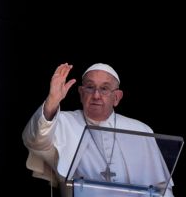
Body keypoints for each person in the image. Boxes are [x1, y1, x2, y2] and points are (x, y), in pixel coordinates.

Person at [22, 63, 174, 197]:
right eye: (90, 87)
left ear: (117, 98)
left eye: (104, 89)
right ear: (81, 93)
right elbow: (35, 140)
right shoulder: (62, 121)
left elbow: (161, 188)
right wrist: (52, 100)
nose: (96, 95)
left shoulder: (141, 130)